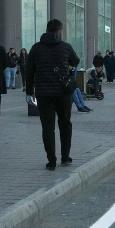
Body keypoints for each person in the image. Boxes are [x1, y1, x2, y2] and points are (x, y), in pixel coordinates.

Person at [24, 19, 79, 170]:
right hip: (63, 92)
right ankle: (65, 156)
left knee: (47, 127)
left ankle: (51, 161)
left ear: (47, 30)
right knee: (65, 123)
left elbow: (29, 73)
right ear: (60, 31)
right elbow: (76, 60)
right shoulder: (65, 47)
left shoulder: (36, 48)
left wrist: (29, 92)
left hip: (43, 94)